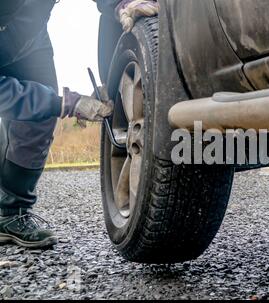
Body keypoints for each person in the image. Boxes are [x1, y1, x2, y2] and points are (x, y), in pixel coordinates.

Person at [0, 0, 158, 249]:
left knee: (39, 118)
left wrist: (119, 2)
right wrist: (66, 104)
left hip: (29, 40)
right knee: (33, 105)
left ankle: (11, 212)